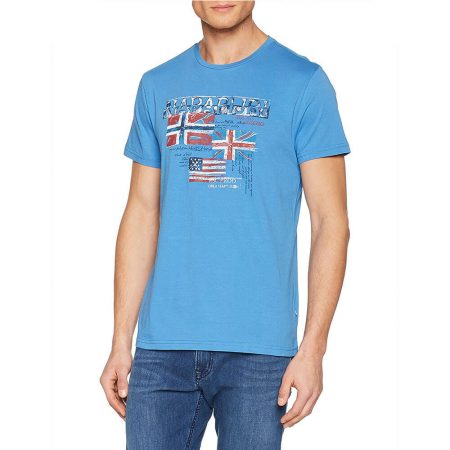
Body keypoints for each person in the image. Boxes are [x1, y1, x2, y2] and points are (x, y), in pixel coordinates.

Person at [100, 1, 351, 449]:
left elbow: (330, 223)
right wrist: (121, 339)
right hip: (162, 349)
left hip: (259, 352)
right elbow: (141, 212)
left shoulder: (303, 83)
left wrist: (314, 347)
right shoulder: (157, 85)